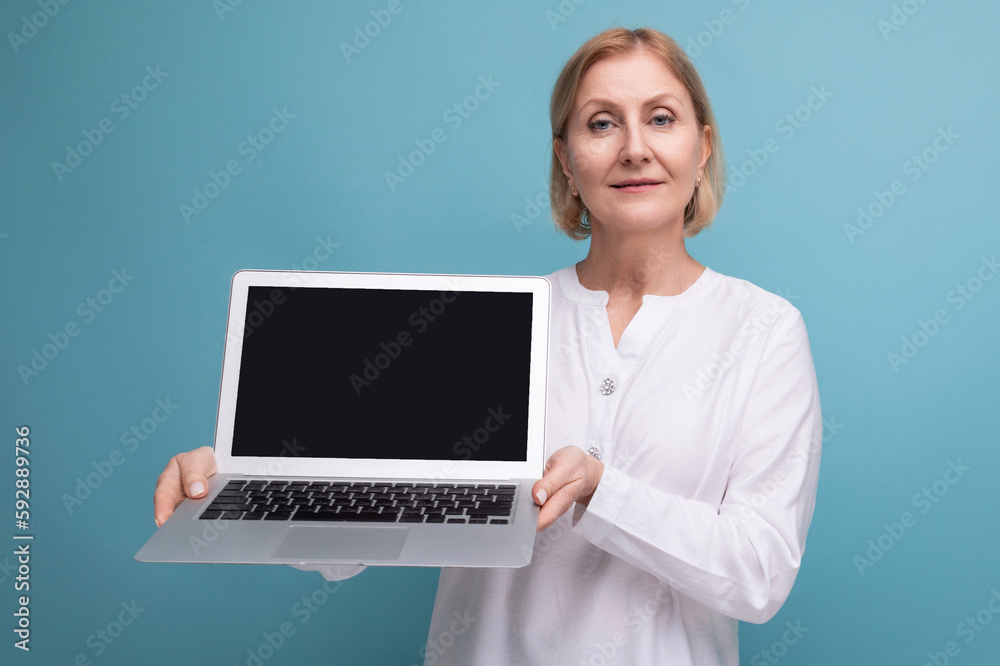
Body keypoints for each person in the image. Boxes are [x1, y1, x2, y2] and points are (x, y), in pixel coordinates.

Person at [154, 27, 822, 665]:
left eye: (662, 118)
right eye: (601, 123)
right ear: (566, 159)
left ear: (703, 147)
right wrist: (241, 478)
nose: (634, 148)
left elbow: (760, 574)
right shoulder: (482, 328)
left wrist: (602, 491)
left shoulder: (764, 331)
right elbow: (351, 545)